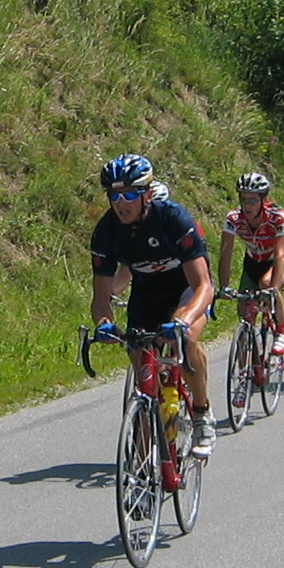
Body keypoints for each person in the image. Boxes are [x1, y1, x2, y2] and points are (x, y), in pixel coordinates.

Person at [90, 153, 218, 456]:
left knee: (186, 339)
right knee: (142, 368)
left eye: (129, 195)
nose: (121, 203)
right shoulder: (106, 231)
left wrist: (184, 319)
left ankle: (202, 414)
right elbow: (101, 298)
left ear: (147, 194)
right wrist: (104, 324)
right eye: (114, 196)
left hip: (185, 291)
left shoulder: (173, 219)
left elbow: (203, 286)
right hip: (146, 296)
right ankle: (143, 458)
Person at [217, 172, 284, 360]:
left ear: (263, 200)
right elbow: (226, 252)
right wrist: (224, 286)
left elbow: (280, 254)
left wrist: (274, 289)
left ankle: (281, 331)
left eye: (252, 200)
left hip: (277, 261)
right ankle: (249, 365)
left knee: (266, 284)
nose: (247, 205)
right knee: (244, 310)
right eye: (243, 199)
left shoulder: (277, 217)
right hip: (253, 262)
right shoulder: (234, 218)